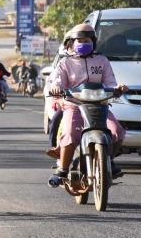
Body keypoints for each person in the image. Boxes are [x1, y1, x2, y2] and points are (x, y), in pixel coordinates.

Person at [48, 24, 128, 180]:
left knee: (117, 132)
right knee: (70, 134)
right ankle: (63, 168)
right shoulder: (65, 63)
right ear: (72, 43)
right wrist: (57, 88)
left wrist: (118, 88)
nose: (83, 43)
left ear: (93, 42)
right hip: (74, 105)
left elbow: (110, 82)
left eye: (86, 40)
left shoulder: (102, 60)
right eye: (79, 40)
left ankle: (108, 159)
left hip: (99, 105)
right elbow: (57, 81)